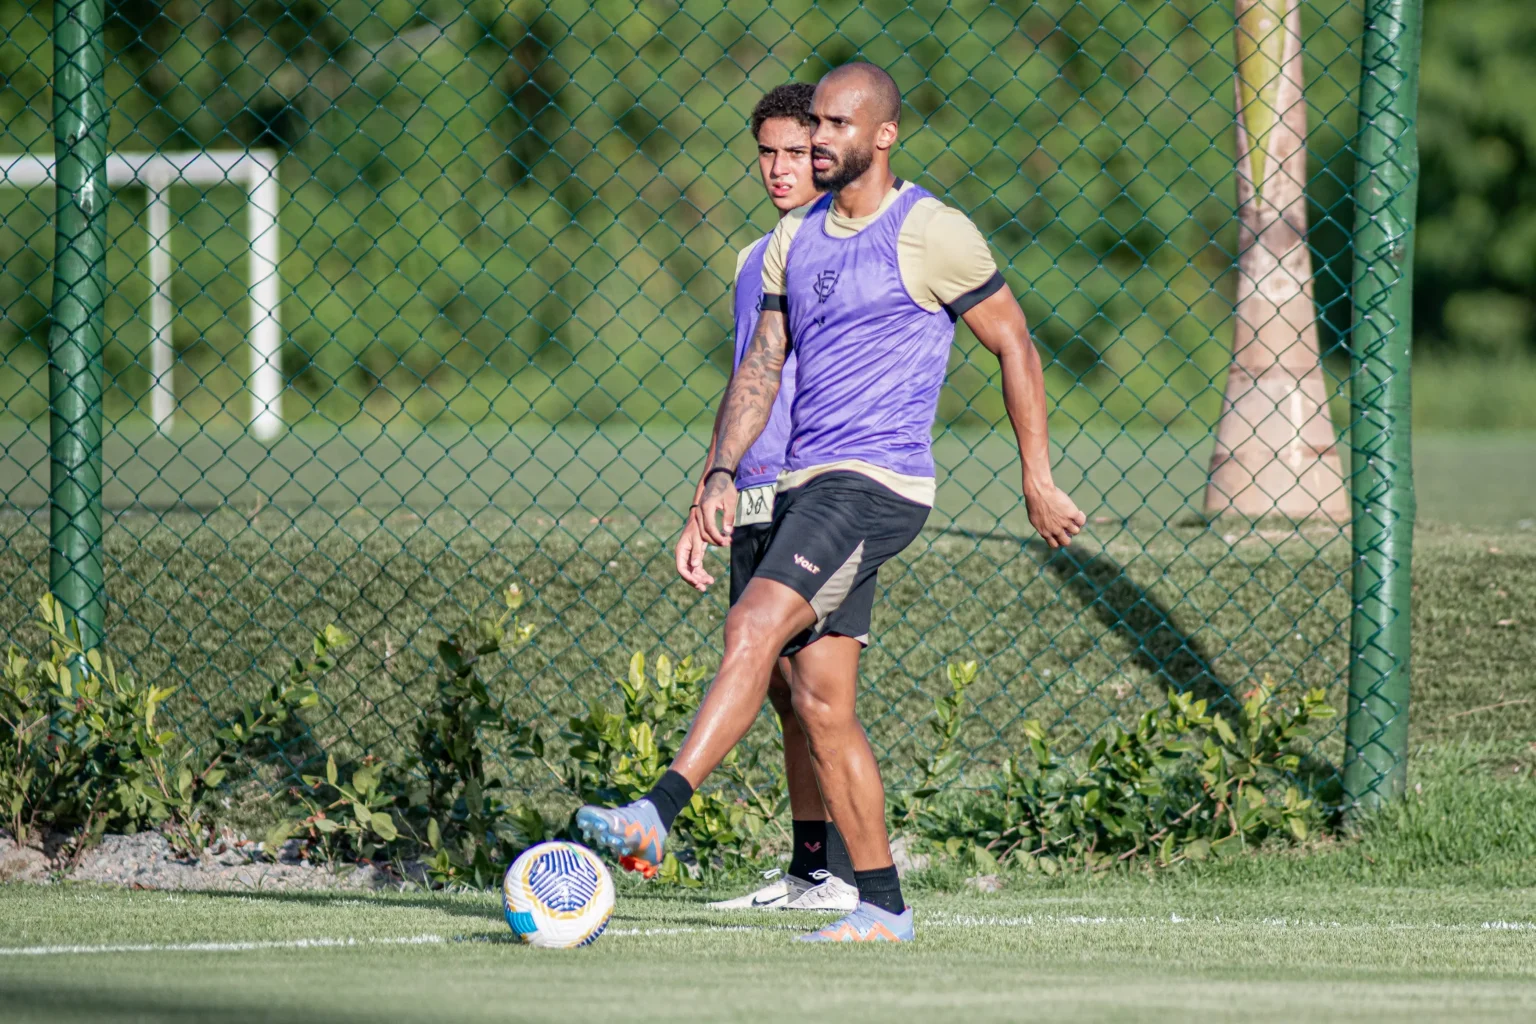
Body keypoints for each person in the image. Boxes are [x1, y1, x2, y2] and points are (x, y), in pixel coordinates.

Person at [580, 62, 1085, 942]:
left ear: (882, 136)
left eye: (837, 125)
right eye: (813, 122)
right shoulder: (792, 240)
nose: (818, 139)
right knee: (819, 703)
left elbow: (1016, 346)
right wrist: (718, 474)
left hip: (878, 482)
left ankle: (655, 812)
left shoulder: (932, 232)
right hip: (806, 484)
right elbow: (762, 366)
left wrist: (1035, 477)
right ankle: (882, 907)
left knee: (752, 627)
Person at [675, 82, 859, 913]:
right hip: (753, 489)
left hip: (820, 489)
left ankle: (858, 873)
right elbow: (751, 376)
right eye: (767, 153)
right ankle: (812, 871)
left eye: (796, 152)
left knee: (819, 693)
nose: (780, 168)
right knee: (784, 693)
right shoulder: (757, 256)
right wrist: (711, 480)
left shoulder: (849, 247)